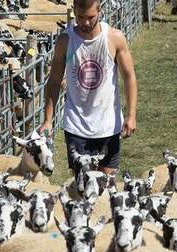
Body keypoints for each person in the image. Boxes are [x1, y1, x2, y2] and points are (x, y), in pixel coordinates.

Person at [38, 0, 138, 175]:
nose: (85, 22)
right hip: (77, 126)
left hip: (108, 125)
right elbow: (54, 81)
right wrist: (47, 120)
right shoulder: (65, 41)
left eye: (90, 17)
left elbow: (129, 76)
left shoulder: (114, 38)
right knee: (82, 187)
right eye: (80, 17)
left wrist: (131, 115)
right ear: (74, 12)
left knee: (107, 185)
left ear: (100, 12)